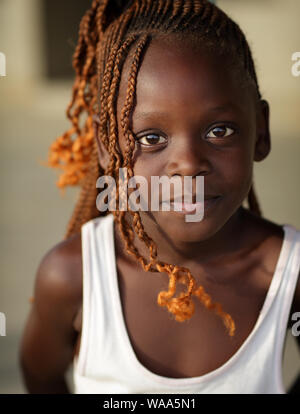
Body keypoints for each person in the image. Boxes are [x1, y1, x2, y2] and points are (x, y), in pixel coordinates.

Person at [19, 0, 300, 394]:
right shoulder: (72, 276)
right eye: (151, 139)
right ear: (106, 146)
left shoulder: (288, 273)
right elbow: (41, 378)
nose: (187, 164)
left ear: (261, 130)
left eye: (219, 131)